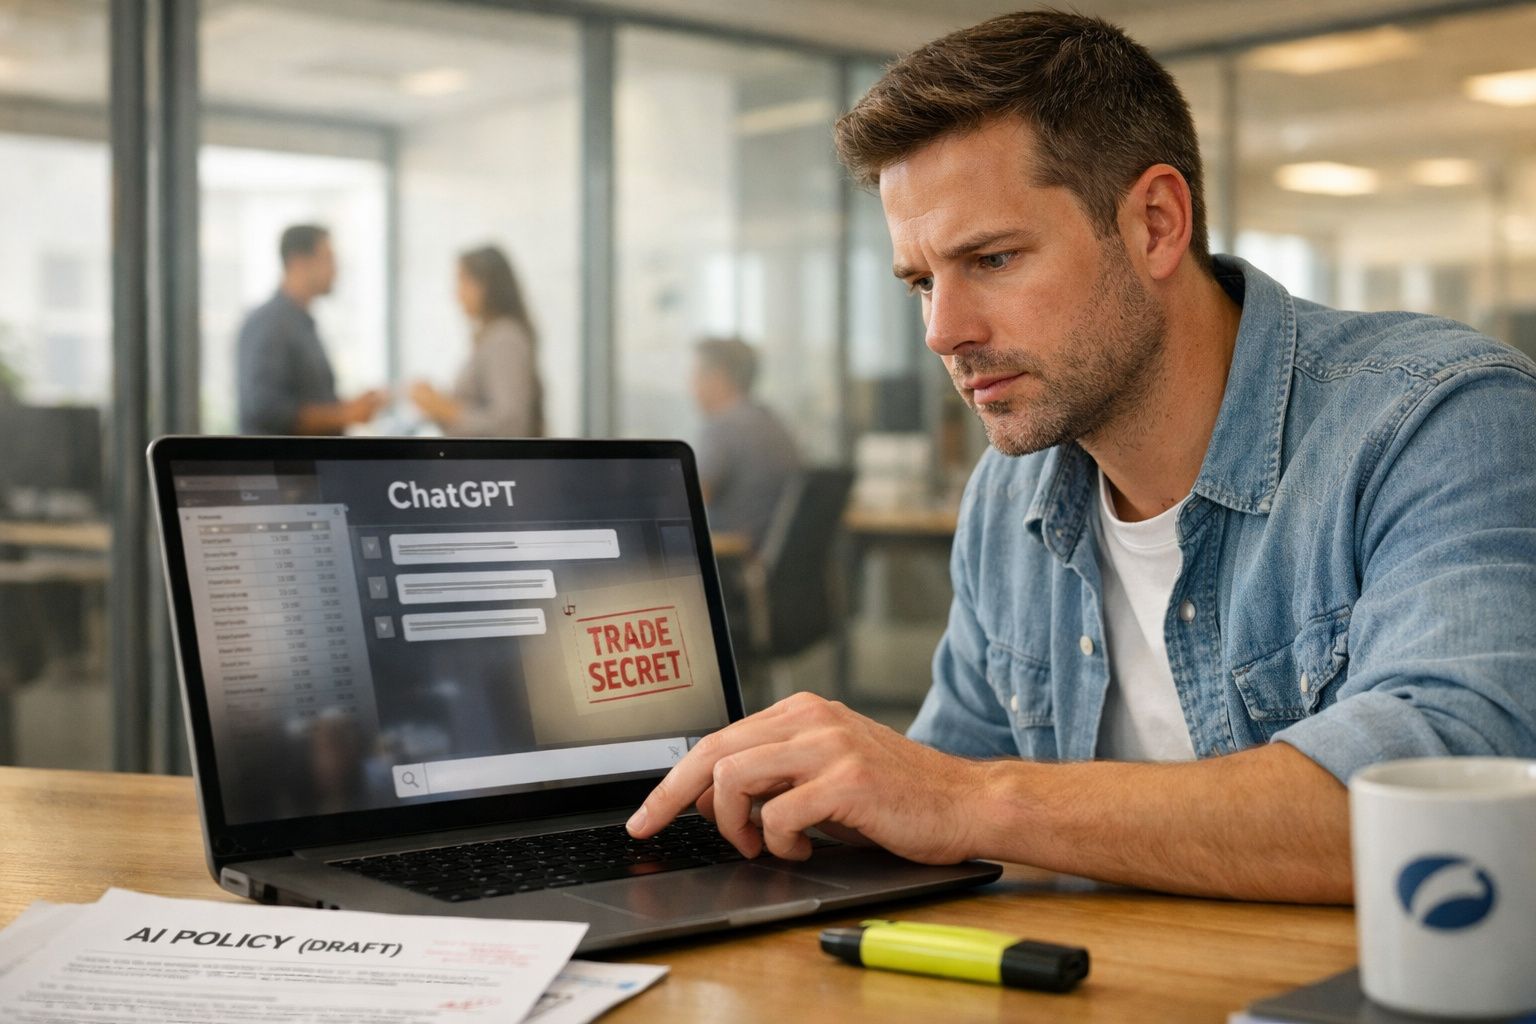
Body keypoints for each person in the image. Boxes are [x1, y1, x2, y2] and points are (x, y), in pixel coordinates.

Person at [627, 10, 1536, 903]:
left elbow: (1456, 786)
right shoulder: (1009, 492)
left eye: (990, 258)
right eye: (920, 282)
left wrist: (969, 798)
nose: (944, 332)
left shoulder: (1439, 416)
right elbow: (946, 789)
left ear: (1155, 223)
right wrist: (814, 803)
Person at [236, 225, 387, 435]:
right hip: (283, 465)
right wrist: (345, 414)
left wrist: (350, 407)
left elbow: (308, 400)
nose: (335, 270)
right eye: (328, 259)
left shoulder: (302, 323)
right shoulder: (269, 323)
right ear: (298, 262)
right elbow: (267, 409)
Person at [411, 245, 544, 437]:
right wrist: (437, 407)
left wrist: (445, 409)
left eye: (463, 281)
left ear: (486, 286)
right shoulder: (490, 336)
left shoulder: (505, 338)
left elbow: (509, 424)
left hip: (497, 465)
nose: (457, 294)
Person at [691, 337, 801, 550]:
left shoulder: (723, 427)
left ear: (716, 378)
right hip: (773, 561)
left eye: (695, 375)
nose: (691, 386)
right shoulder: (774, 422)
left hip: (736, 562)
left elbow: (687, 500)